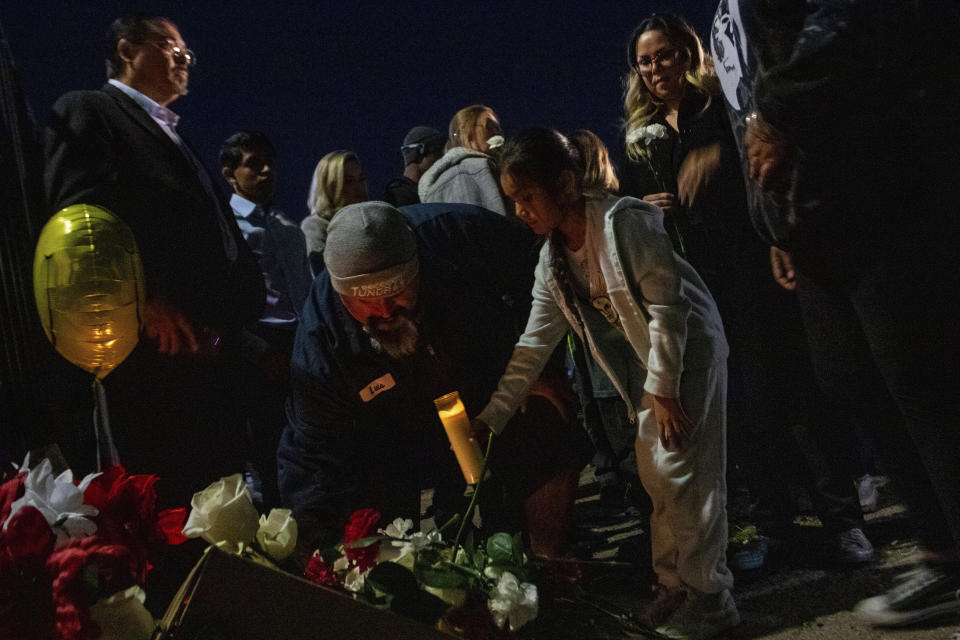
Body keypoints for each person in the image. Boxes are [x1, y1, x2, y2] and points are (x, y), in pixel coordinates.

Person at [709, 0, 960, 627]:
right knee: (849, 378)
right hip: (811, 216)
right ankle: (943, 554)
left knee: (919, 375)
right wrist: (775, 225)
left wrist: (781, 112)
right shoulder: (722, 16)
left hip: (878, 184)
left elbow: (852, 24)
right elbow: (745, 106)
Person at [621, 12, 874, 565]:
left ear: (687, 52)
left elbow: (760, 155)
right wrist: (646, 211)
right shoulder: (637, 133)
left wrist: (721, 161)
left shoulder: (719, 106)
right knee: (740, 410)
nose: (655, 67)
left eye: (664, 54)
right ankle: (772, 525)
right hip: (692, 283)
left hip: (748, 266)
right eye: (645, 60)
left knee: (795, 390)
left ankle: (843, 519)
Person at [474, 128, 738, 639]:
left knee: (686, 475)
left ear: (566, 184)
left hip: (690, 355)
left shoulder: (625, 224)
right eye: (513, 202)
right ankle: (675, 585)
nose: (520, 211)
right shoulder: (552, 261)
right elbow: (534, 343)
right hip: (652, 365)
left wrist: (663, 390)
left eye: (527, 197)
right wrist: (493, 416)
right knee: (656, 475)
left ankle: (711, 595)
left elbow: (667, 307)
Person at [278, 201, 590, 559]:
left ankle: (549, 565)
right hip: (394, 431)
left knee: (544, 421)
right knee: (381, 517)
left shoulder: (460, 236)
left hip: (489, 383)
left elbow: (544, 273)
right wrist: (314, 549)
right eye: (364, 302)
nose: (384, 311)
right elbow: (315, 454)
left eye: (396, 293)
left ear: (418, 270)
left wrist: (535, 368)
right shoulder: (322, 344)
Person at [43, 13, 264, 506]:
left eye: (187, 54)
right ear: (127, 50)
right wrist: (140, 304)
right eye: (173, 48)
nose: (185, 61)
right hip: (157, 359)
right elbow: (78, 219)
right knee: (177, 501)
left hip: (215, 353)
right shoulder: (90, 111)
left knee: (231, 501)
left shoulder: (175, 136)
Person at [220, 130, 312, 508]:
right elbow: (226, 301)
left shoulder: (280, 224)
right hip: (259, 346)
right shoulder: (229, 226)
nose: (266, 171)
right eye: (253, 164)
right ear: (230, 174)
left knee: (301, 442)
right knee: (265, 447)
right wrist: (256, 350)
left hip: (296, 340)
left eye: (268, 162)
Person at [418, 104, 508, 215]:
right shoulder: (468, 171)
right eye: (489, 127)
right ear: (466, 133)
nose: (497, 132)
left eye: (498, 128)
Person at [300, 149, 367, 274]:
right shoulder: (316, 226)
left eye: (361, 179)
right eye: (348, 181)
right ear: (330, 186)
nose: (359, 187)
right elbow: (322, 277)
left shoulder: (368, 222)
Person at [383, 126, 445, 207]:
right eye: (438, 154)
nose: (442, 161)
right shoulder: (398, 197)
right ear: (419, 152)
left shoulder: (430, 192)